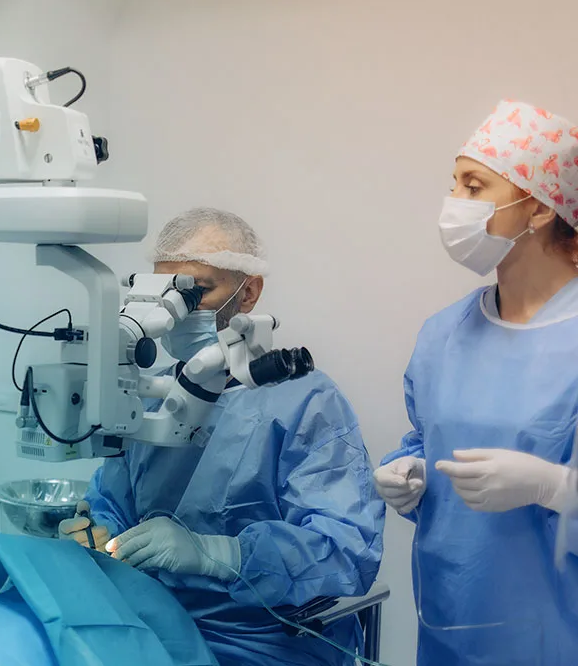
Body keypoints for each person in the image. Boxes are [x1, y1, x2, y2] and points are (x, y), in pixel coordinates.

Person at [60, 207, 385, 666]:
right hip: (148, 624)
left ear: (248, 292)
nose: (175, 313)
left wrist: (219, 554)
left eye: (197, 292)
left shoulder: (306, 403)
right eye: (165, 294)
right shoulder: (151, 391)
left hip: (260, 642)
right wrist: (97, 532)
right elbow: (111, 501)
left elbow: (346, 554)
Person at [374, 100, 578, 665]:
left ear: (537, 209)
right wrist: (407, 471)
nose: (454, 204)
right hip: (448, 626)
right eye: (454, 184)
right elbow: (428, 439)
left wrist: (555, 487)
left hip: (554, 637)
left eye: (473, 185)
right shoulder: (444, 334)